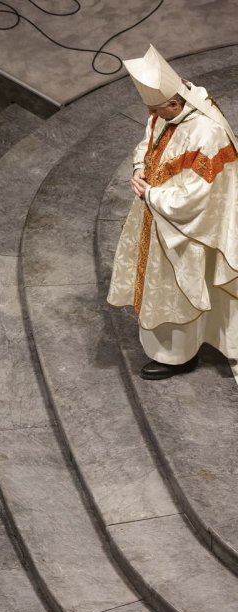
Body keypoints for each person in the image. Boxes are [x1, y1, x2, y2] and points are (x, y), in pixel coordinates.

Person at [107, 44, 238, 379]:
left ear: (175, 101)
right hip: (156, 215)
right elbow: (148, 145)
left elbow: (198, 194)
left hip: (186, 228)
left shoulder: (207, 131)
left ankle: (178, 355)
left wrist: (152, 194)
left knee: (178, 289)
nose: (153, 115)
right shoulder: (167, 112)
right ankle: (177, 348)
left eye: (158, 109)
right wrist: (138, 168)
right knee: (159, 288)